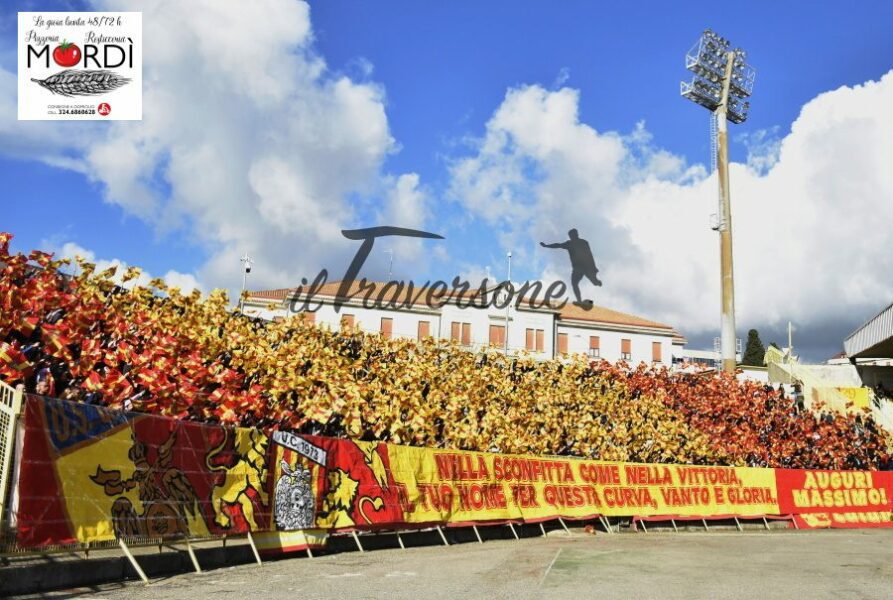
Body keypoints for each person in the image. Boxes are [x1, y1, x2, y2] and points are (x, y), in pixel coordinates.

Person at [540, 229, 602, 307]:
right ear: (570, 236)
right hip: (577, 268)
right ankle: (579, 301)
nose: (572, 237)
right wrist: (546, 246)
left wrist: (593, 268)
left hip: (586, 267)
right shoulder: (569, 243)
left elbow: (589, 255)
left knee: (594, 282)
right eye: (571, 236)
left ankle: (597, 282)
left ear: (577, 234)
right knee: (574, 283)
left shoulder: (584, 242)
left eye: (573, 235)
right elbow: (557, 245)